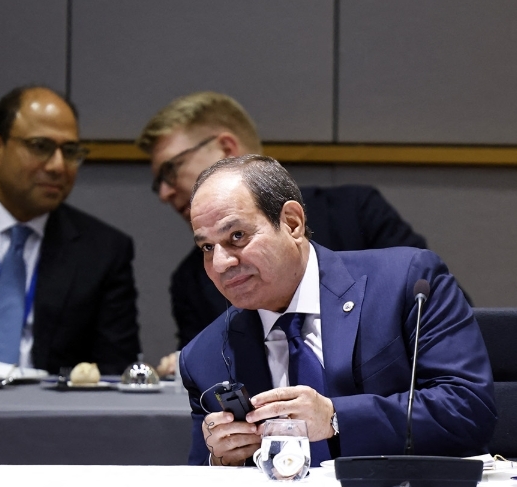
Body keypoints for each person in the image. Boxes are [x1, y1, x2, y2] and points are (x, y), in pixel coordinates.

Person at [179, 155, 495, 466]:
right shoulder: (204, 357)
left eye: (237, 236)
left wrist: (335, 418)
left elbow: (468, 411)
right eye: (207, 247)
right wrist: (220, 461)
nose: (220, 264)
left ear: (292, 223)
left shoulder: (406, 283)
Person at [136, 91, 429, 361]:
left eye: (170, 170)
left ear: (293, 224)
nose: (164, 193)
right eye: (209, 247)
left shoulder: (356, 213)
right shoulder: (193, 278)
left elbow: (431, 323)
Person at [0, 85, 140, 374]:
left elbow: (115, 370)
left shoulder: (104, 250)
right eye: (40, 147)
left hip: (49, 414)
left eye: (69, 151)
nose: (58, 166)